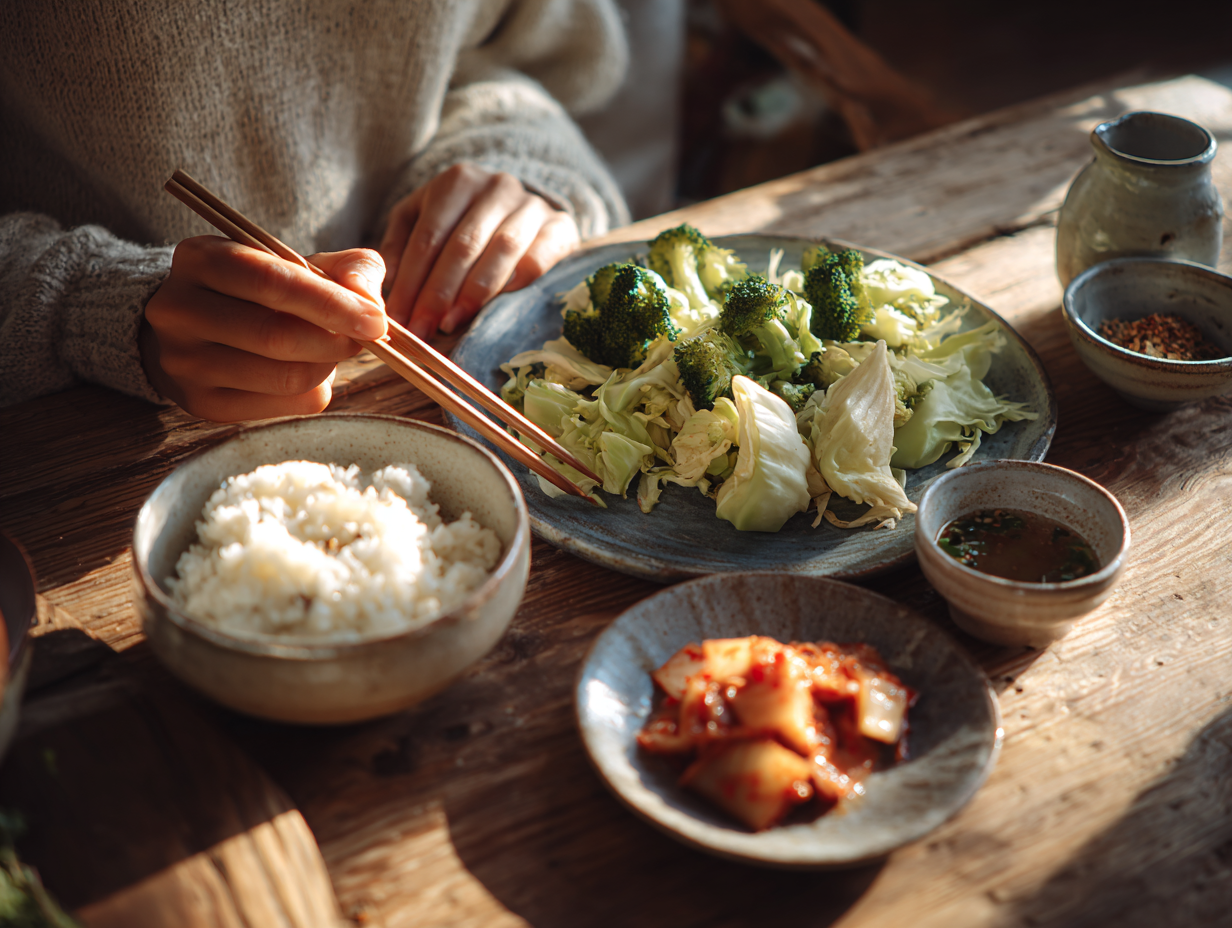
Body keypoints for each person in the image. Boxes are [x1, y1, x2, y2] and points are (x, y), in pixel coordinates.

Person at [0, 0, 631, 421]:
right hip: (79, 440)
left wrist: (519, 162)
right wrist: (89, 302)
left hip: (434, 357)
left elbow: (507, 59)